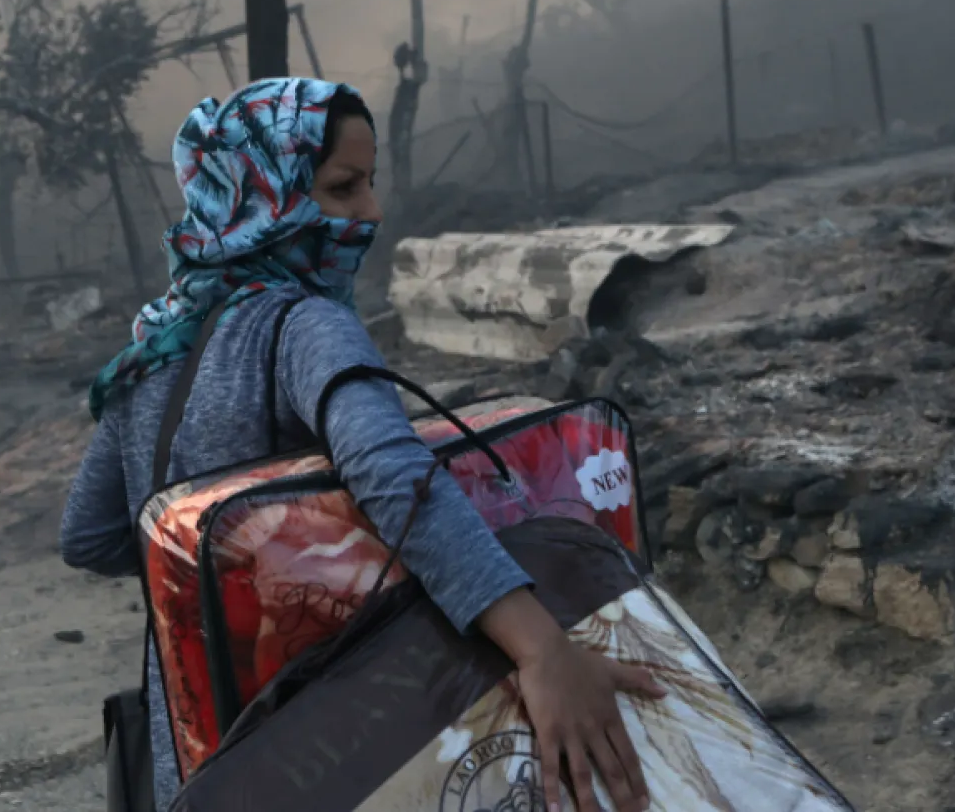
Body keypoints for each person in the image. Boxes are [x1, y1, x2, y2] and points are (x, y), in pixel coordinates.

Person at [61, 78, 664, 812]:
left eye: (370, 183)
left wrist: (225, 570)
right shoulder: (305, 323)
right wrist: (541, 648)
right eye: (343, 188)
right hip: (329, 747)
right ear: (264, 199)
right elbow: (392, 473)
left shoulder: (152, 353)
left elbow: (90, 534)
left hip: (198, 758)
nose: (371, 212)